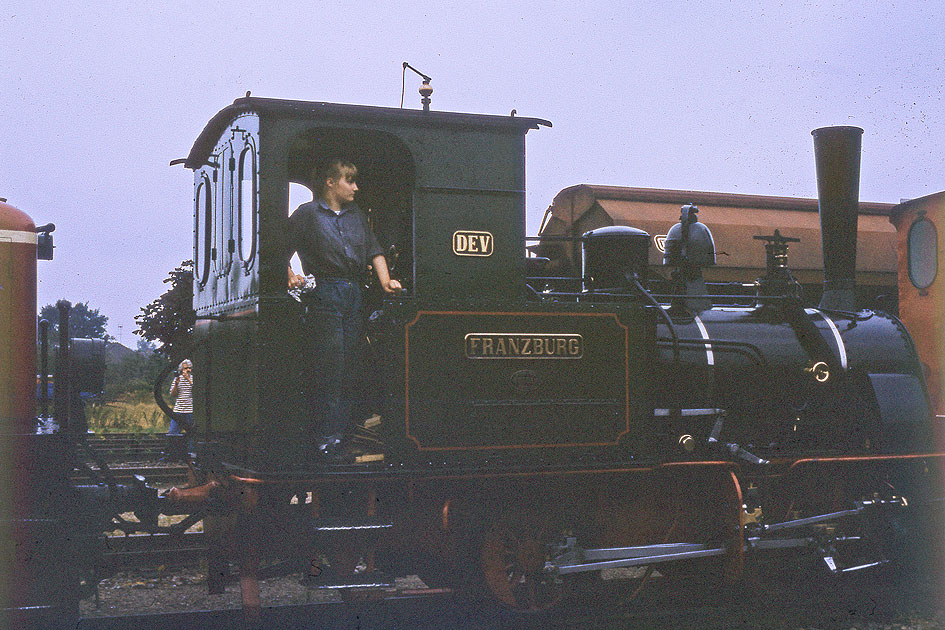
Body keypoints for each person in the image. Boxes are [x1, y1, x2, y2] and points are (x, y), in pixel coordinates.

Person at [287, 158, 401, 460]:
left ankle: (340, 436)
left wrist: (386, 282)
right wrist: (289, 274)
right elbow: (278, 249)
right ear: (330, 182)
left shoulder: (356, 216)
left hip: (354, 293)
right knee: (329, 367)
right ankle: (325, 439)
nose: (355, 187)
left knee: (350, 367)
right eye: (349, 181)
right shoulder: (307, 214)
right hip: (324, 292)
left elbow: (375, 251)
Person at [168, 359, 194, 457]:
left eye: (189, 368)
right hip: (178, 410)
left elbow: (196, 391)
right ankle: (173, 454)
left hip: (190, 410)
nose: (187, 370)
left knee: (191, 433)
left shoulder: (193, 379)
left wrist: (189, 380)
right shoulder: (177, 379)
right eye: (185, 368)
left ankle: (191, 454)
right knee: (173, 432)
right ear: (181, 370)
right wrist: (176, 384)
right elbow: (172, 394)